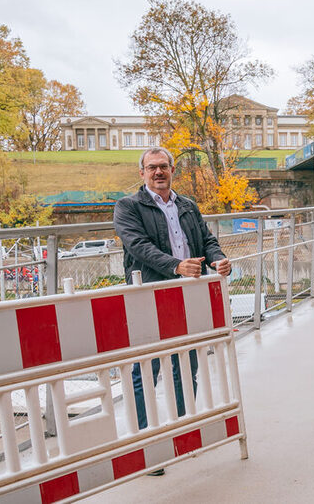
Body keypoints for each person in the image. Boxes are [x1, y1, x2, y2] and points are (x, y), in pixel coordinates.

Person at [114, 146, 231, 475]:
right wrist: (176, 266)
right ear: (142, 173)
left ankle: (183, 435)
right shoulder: (128, 207)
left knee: (186, 363)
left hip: (187, 295)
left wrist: (217, 258)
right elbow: (137, 246)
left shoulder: (187, 205)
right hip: (149, 295)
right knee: (146, 371)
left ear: (172, 170)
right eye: (151, 168)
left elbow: (206, 240)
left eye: (163, 166)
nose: (158, 172)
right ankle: (146, 446)